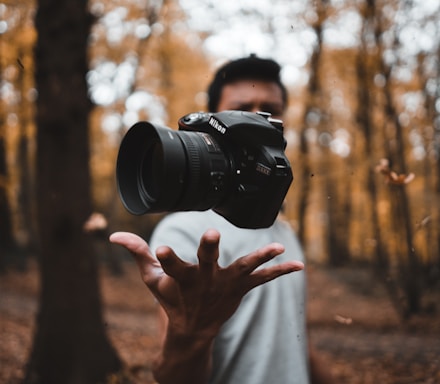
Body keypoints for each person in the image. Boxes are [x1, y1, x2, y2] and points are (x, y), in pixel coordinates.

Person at [110, 55, 332, 383]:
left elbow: (296, 340)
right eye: (245, 109)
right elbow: (174, 376)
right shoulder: (185, 232)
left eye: (270, 110)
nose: (259, 120)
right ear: (214, 118)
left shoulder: (282, 230)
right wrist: (192, 334)